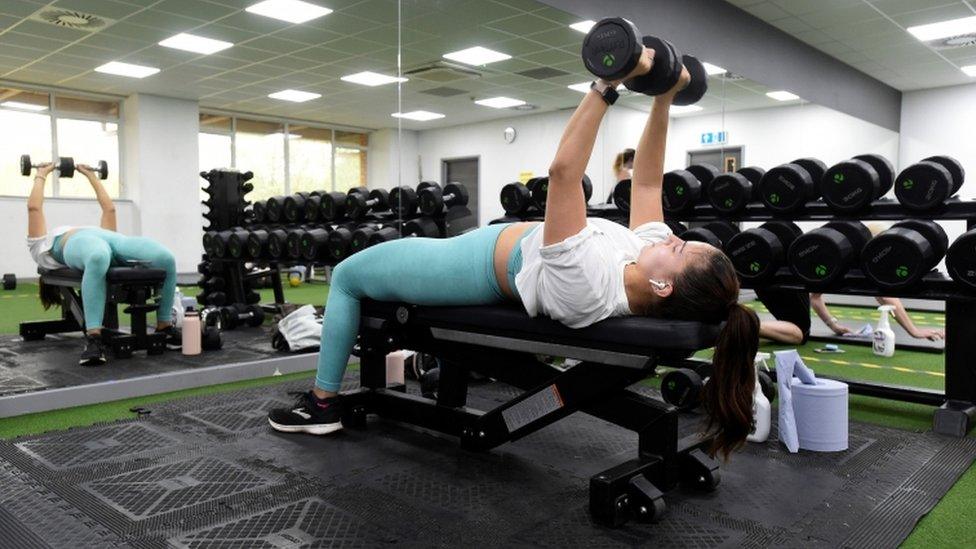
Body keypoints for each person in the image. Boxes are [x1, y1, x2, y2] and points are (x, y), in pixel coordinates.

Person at [268, 46, 759, 459]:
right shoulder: (644, 257)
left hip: (468, 268)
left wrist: (606, 85)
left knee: (349, 275)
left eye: (679, 248)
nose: (671, 237)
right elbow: (648, 178)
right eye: (680, 237)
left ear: (663, 285)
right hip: (480, 247)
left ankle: (322, 405)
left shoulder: (591, 284)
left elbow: (564, 172)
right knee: (367, 269)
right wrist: (664, 97)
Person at [26, 162, 181, 366]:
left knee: (166, 258)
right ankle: (94, 339)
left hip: (110, 240)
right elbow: (34, 207)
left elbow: (109, 208)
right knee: (98, 257)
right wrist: (41, 174)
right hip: (76, 244)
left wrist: (91, 176)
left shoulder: (93, 236)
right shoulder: (41, 249)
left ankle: (164, 327)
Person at [758, 291, 945, 345]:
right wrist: (915, 331)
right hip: (780, 282)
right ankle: (745, 324)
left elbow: (815, 297)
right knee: (799, 332)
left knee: (792, 329)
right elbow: (886, 296)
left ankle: (740, 323)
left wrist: (834, 326)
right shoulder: (862, 252)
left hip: (768, 278)